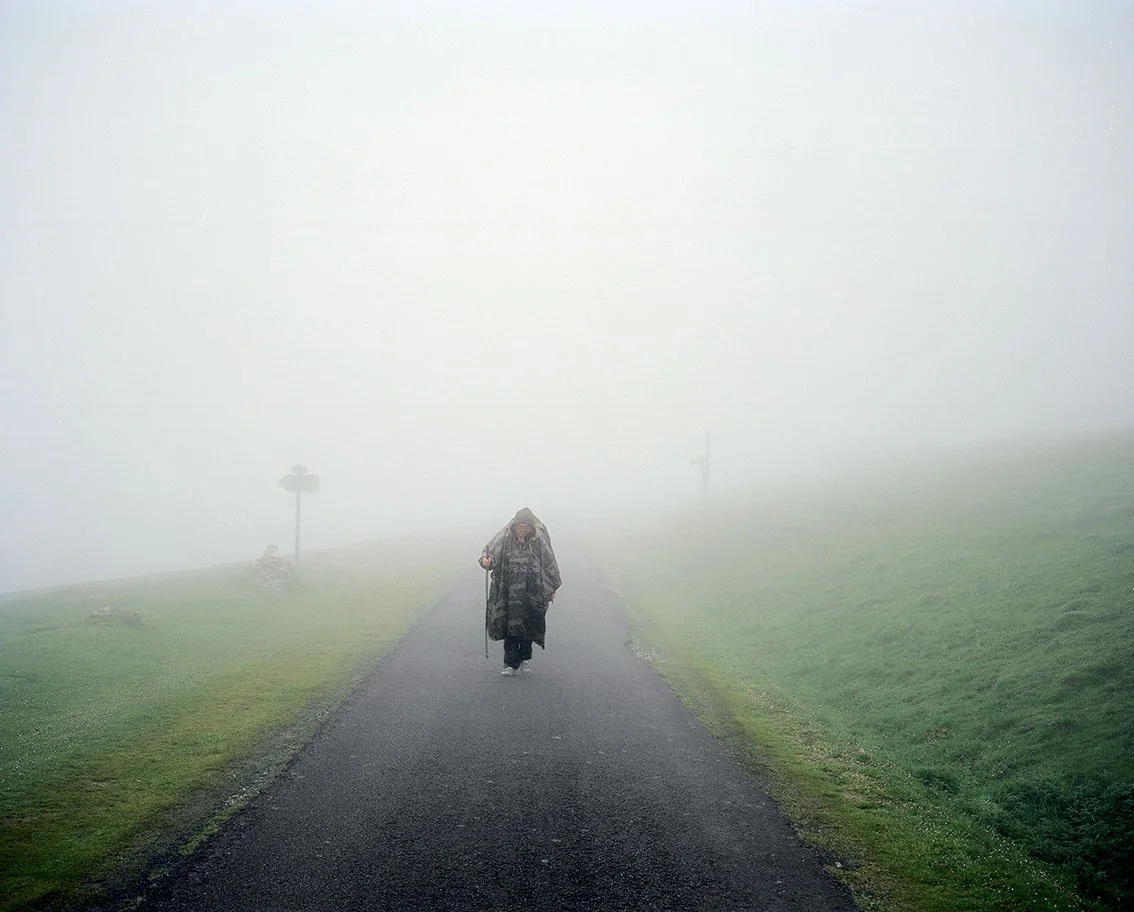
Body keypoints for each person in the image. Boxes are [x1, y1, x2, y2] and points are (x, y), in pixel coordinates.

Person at [479, 507, 561, 676]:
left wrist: (552, 587)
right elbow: (490, 553)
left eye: (526, 527)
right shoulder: (504, 537)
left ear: (531, 528)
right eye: (520, 526)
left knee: (528, 625)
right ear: (514, 526)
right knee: (509, 626)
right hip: (507, 592)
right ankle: (510, 663)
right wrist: (487, 561)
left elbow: (549, 563)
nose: (522, 530)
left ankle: (524, 657)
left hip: (532, 592)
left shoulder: (539, 541)